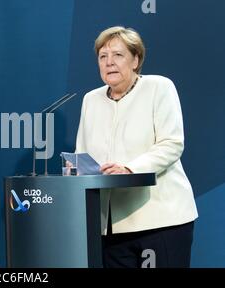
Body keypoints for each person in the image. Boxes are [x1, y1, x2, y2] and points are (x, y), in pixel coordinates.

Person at [73, 26, 198, 268]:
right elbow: (82, 153)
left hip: (161, 220)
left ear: (136, 60)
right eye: (103, 56)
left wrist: (129, 169)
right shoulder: (91, 99)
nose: (109, 62)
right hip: (110, 226)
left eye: (118, 55)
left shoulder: (158, 87)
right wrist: (77, 166)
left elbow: (171, 144)